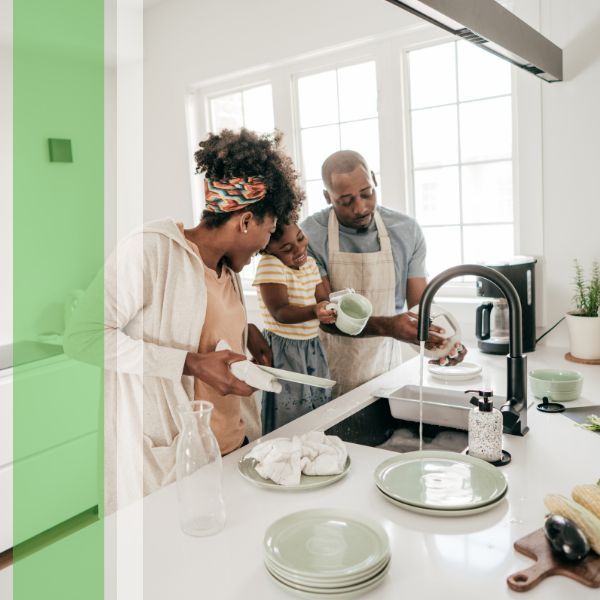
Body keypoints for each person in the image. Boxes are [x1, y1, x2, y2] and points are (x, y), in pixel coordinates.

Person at [64, 128, 303, 513]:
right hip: (174, 462)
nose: (265, 246)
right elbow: (81, 337)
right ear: (244, 221)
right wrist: (191, 364)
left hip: (231, 448)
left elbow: (201, 326)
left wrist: (246, 332)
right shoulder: (150, 251)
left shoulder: (228, 270)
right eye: (269, 230)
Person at [301, 150, 465, 397]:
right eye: (346, 201)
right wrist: (390, 326)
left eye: (367, 193)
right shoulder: (309, 236)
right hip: (329, 376)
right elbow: (328, 317)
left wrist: (442, 344)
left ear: (374, 180)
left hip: (388, 372)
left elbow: (419, 309)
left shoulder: (406, 231)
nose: (360, 207)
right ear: (327, 196)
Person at [253, 215, 336, 433]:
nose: (299, 250)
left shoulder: (310, 264)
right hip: (285, 350)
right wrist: (315, 311)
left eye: (300, 238)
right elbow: (280, 312)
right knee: (288, 414)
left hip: (312, 346)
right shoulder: (269, 265)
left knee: (318, 405)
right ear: (268, 249)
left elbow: (322, 299)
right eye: (287, 248)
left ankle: (314, 453)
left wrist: (331, 307)